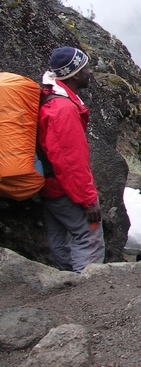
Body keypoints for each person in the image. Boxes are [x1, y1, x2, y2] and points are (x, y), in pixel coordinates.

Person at [37, 46, 105, 272]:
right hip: (64, 187)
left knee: (60, 238)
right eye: (86, 68)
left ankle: (66, 286)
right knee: (88, 236)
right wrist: (88, 199)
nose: (90, 72)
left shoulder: (49, 97)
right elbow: (71, 160)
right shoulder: (64, 109)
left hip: (48, 185)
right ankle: (85, 291)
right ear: (75, 74)